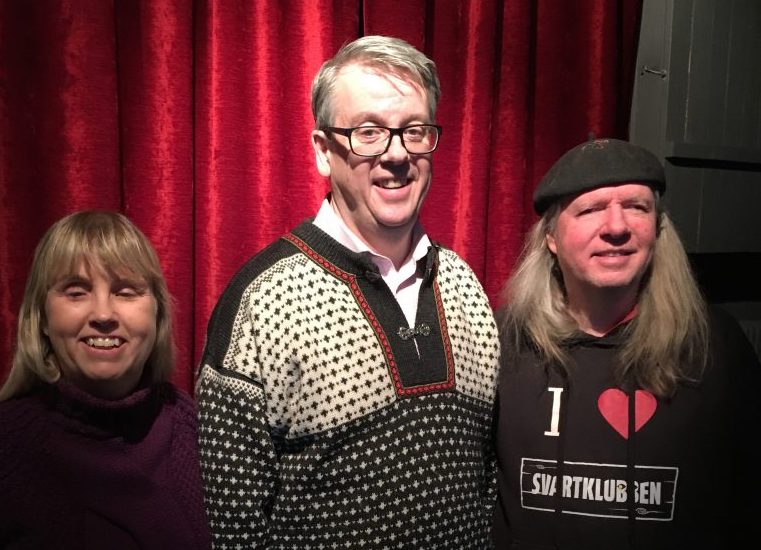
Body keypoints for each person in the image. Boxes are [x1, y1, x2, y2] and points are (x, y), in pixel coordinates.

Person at [196, 35, 500, 548]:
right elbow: (231, 525)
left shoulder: (464, 284)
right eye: (369, 133)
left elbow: (487, 481)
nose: (396, 154)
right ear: (322, 151)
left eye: (414, 131)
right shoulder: (262, 301)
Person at [492, 138, 761, 549]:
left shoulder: (714, 345)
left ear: (657, 228)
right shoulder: (505, 341)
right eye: (591, 209)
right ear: (551, 238)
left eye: (637, 207)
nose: (616, 227)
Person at [0, 211, 210, 549]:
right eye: (76, 292)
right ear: (41, 316)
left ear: (157, 313)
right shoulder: (8, 446)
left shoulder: (200, 434)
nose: (102, 315)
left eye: (126, 292)